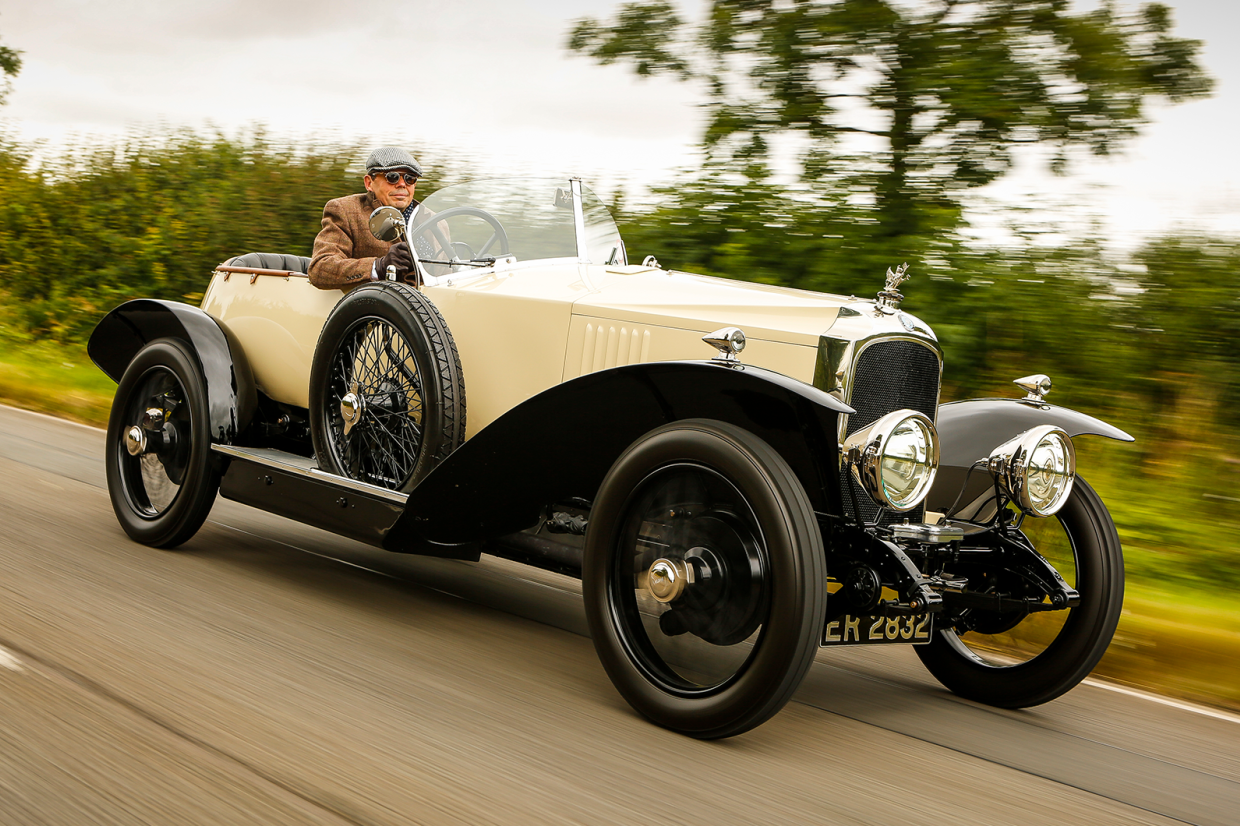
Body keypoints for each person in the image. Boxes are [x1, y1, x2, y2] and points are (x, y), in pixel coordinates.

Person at [308, 146, 424, 289]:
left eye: (410, 178)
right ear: (369, 183)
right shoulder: (345, 210)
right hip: (373, 307)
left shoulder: (435, 221)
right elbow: (320, 269)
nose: (401, 184)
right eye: (392, 177)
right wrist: (379, 266)